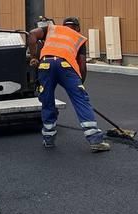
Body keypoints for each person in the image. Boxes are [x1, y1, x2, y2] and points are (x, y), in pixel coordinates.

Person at [27, 17, 110, 153]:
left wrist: (34, 57)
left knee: (47, 102)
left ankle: (48, 139)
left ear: (63, 25)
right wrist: (80, 85)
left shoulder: (51, 29)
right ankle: (95, 140)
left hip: (45, 65)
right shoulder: (79, 37)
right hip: (65, 66)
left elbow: (32, 34)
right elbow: (82, 64)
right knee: (80, 100)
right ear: (78, 28)